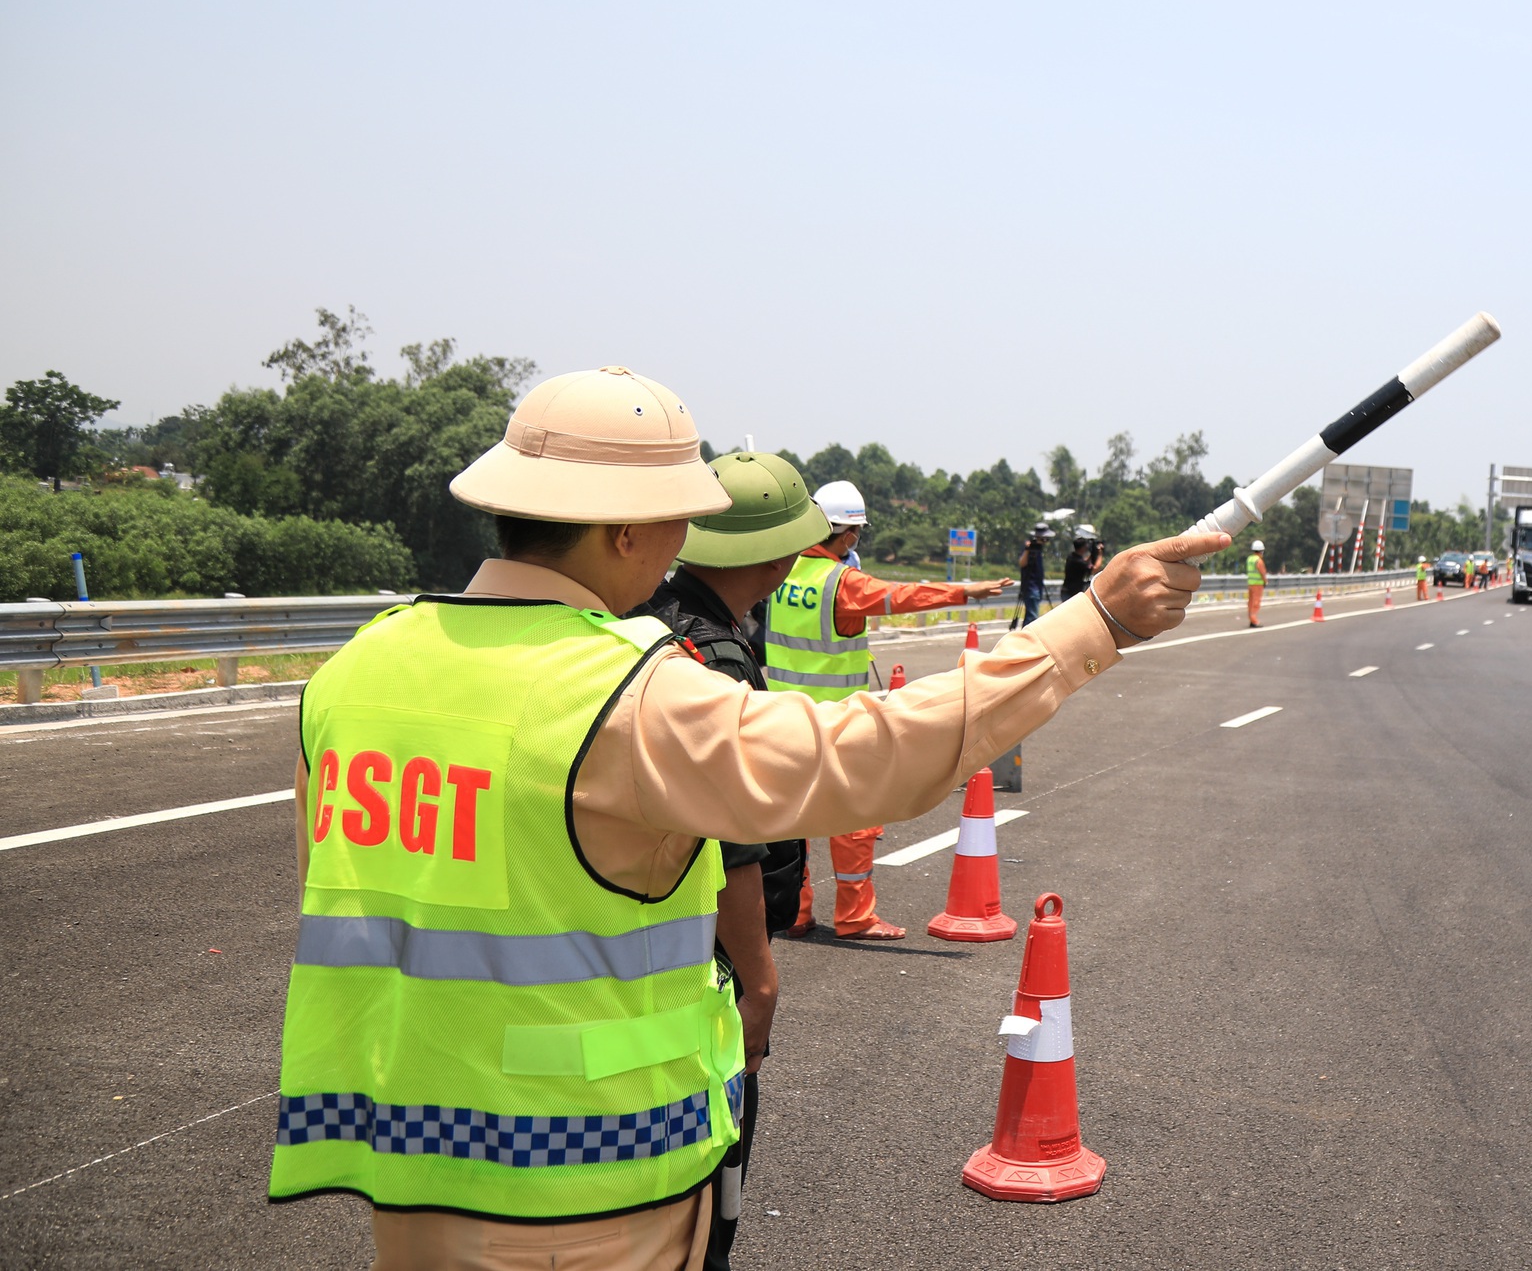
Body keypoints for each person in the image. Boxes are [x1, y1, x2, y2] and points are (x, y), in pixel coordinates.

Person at [271, 366, 1222, 1270]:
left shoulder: (355, 672)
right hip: (584, 1183)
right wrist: (1092, 622)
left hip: (410, 1170)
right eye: (677, 516)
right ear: (625, 530)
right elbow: (873, 751)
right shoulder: (624, 693)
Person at [635, 450, 829, 1271]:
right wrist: (760, 979)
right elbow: (732, 841)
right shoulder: (713, 656)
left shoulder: (652, 614)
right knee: (716, 1169)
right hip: (705, 955)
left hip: (645, 933)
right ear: (779, 557)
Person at [767, 478, 1005, 941]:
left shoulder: (780, 573)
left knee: (790, 823)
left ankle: (793, 914)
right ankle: (855, 917)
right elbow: (902, 595)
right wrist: (965, 593)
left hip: (781, 720)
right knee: (854, 820)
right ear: (848, 535)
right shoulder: (841, 583)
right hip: (835, 725)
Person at [1014, 522, 1051, 628]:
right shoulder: (1028, 547)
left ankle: (1025, 635)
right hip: (1031, 588)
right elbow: (1022, 563)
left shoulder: (1038, 548)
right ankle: (1026, 636)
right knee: (1032, 618)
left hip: (1037, 587)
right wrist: (1027, 549)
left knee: (1030, 617)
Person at [1061, 523, 1101, 601]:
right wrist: (1100, 554)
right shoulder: (1078, 562)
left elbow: (1084, 562)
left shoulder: (1072, 557)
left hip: (1068, 591)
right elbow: (1095, 569)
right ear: (1082, 548)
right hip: (1071, 593)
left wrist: (1092, 553)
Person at [1245, 538, 1268, 627]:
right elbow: (1262, 572)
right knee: (1256, 603)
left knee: (1250, 603)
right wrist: (1265, 581)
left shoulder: (1250, 559)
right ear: (1261, 551)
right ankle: (1254, 621)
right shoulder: (1259, 560)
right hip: (1257, 584)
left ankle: (1251, 619)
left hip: (1250, 583)